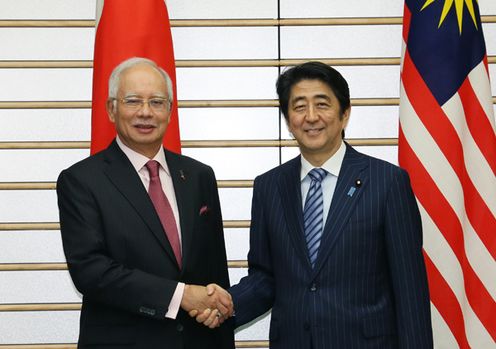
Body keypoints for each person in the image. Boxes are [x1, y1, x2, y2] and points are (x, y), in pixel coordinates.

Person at [195, 61, 433, 348]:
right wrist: (227, 304)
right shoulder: (269, 186)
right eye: (298, 106)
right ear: (287, 119)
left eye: (322, 104)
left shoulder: (387, 182)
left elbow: (410, 291)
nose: (311, 117)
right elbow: (266, 277)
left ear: (344, 114)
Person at [57, 57, 234, 349]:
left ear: (170, 110)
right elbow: (91, 272)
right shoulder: (81, 181)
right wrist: (180, 296)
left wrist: (215, 309)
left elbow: (215, 270)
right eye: (132, 101)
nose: (145, 112)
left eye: (156, 102)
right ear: (111, 109)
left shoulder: (199, 176)